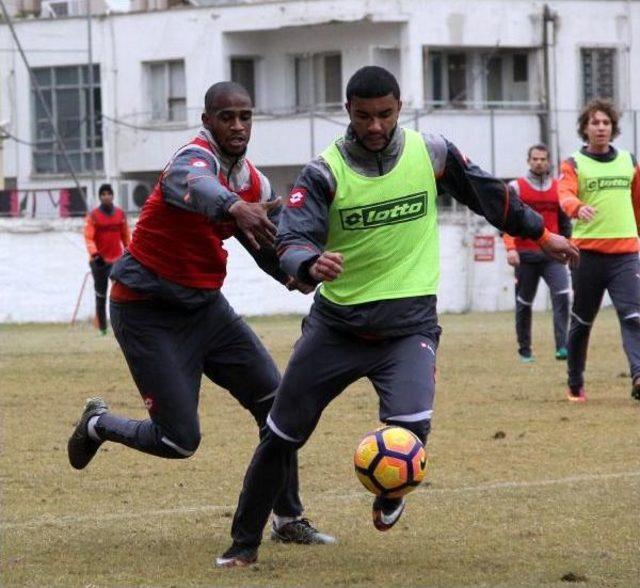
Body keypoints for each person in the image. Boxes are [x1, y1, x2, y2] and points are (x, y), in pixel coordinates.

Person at [215, 66, 579, 567]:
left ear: (399, 108)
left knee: (411, 431)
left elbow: (491, 195)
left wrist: (541, 234)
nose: (375, 126)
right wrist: (306, 262)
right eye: (363, 116)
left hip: (409, 329)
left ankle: (389, 493)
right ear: (348, 112)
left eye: (384, 114)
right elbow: (293, 234)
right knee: (280, 435)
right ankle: (242, 547)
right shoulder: (324, 171)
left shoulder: (431, 153)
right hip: (336, 328)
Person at [67, 82, 334, 547]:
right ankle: (98, 423)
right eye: (226, 117)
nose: (237, 125)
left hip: (206, 310)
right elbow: (189, 184)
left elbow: (268, 247)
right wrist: (235, 207)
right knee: (178, 441)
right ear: (207, 121)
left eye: (245, 117)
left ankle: (287, 519)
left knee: (278, 407)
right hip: (144, 309)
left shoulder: (256, 183)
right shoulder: (191, 160)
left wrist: (302, 270)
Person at [558, 99, 640, 403]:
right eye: (595, 123)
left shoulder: (629, 162)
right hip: (587, 255)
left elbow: (637, 203)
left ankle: (638, 375)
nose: (601, 128)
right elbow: (564, 194)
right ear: (585, 128)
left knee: (633, 316)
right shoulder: (574, 164)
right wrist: (577, 207)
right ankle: (575, 382)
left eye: (606, 123)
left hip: (625, 253)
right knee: (581, 322)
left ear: (613, 128)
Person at [503, 144, 572, 362]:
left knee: (562, 295)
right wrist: (511, 248)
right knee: (524, 303)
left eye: (543, 159)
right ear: (528, 161)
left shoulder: (558, 188)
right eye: (535, 159)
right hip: (525, 255)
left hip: (552, 256)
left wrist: (568, 246)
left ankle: (562, 346)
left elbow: (565, 223)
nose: (539, 162)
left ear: (548, 161)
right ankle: (525, 350)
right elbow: (506, 221)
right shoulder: (516, 187)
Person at [83, 183, 130, 335]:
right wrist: (95, 254)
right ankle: (102, 327)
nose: (106, 196)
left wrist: (129, 253)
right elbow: (88, 237)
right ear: (100, 197)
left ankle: (122, 325)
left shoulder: (120, 215)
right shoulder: (93, 216)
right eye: (103, 194)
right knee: (101, 294)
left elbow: (126, 237)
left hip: (116, 260)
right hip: (99, 261)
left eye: (108, 193)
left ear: (113, 195)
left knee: (121, 293)